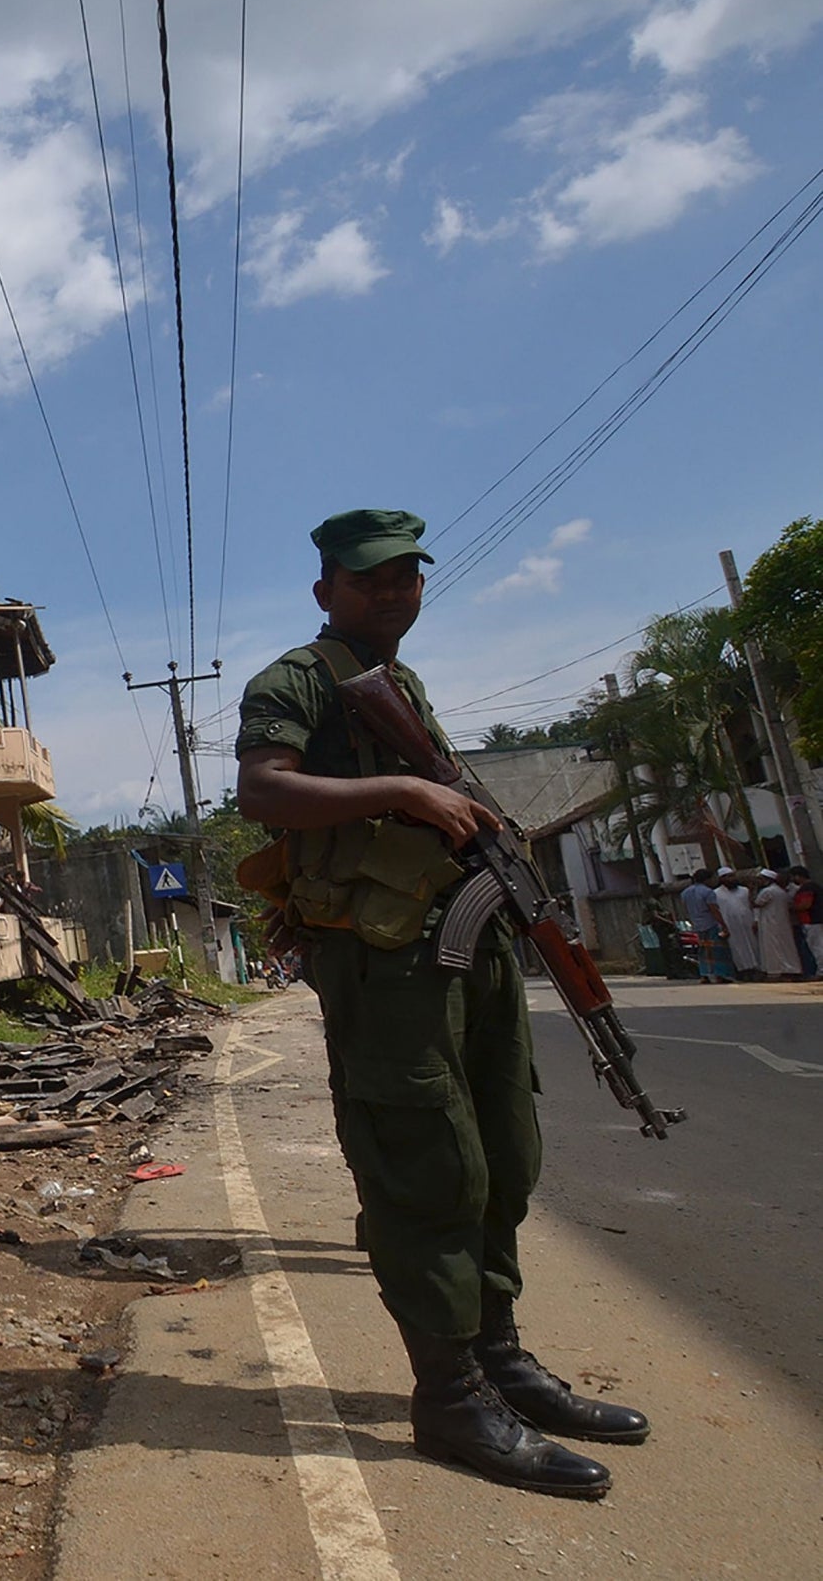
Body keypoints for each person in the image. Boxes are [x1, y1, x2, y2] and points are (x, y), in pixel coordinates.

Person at [237, 509, 644, 1501]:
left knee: (501, 1150)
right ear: (325, 586)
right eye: (371, 578)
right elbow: (261, 791)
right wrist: (402, 797)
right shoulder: (297, 678)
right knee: (426, 1162)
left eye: (407, 577)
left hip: (464, 948)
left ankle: (499, 1360)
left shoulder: (399, 686)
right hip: (386, 963)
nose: (393, 593)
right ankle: (450, 1396)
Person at [677, 868, 729, 982]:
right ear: (707, 879)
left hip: (697, 925)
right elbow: (714, 909)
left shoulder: (685, 893)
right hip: (710, 924)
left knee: (703, 949)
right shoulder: (708, 892)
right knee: (716, 950)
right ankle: (719, 974)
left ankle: (704, 974)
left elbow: (685, 909)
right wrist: (723, 924)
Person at [753, 869, 801, 980]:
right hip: (781, 922)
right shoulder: (781, 891)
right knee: (785, 946)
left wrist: (752, 891)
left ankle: (776, 971)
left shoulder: (767, 891)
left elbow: (756, 903)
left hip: (770, 923)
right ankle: (789, 969)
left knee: (773, 947)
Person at [715, 870, 761, 980]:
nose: (731, 879)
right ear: (722, 879)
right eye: (728, 877)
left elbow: (752, 905)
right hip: (730, 925)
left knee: (753, 945)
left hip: (747, 922)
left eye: (732, 876)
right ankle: (743, 971)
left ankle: (757, 969)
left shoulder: (744, 891)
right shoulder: (716, 893)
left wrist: (755, 919)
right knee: (736, 948)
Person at [790, 865, 819, 980]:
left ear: (798, 876)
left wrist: (792, 908)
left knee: (817, 947)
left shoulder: (807, 888)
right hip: (814, 920)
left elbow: (806, 905)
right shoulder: (814, 886)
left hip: (811, 921)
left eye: (793, 877)